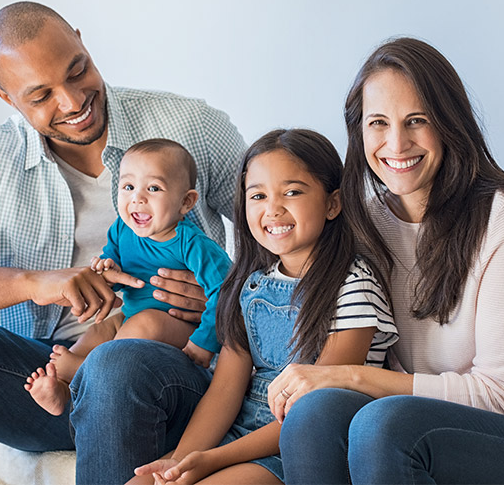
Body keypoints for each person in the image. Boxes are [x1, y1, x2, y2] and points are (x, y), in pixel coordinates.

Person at [0, 1, 245, 484]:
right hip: (52, 376)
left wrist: (223, 303)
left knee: (117, 362)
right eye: (42, 96)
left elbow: (283, 238)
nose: (74, 101)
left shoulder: (188, 127)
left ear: (81, 40)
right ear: (7, 98)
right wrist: (35, 282)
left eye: (78, 71)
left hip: (171, 371)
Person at [272, 37, 504, 484]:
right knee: (317, 411)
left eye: (416, 121)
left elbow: (499, 398)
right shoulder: (365, 223)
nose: (396, 143)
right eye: (378, 123)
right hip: (429, 426)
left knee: (382, 423)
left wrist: (350, 376)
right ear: (359, 131)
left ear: (448, 124)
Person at [132, 129, 398, 484]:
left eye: (292, 192)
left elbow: (314, 408)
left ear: (332, 203)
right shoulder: (251, 283)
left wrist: (211, 461)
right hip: (239, 434)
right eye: (257, 195)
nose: (272, 208)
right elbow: (225, 390)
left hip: (300, 447)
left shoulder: (352, 285)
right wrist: (181, 461)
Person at [26, 139, 232, 416]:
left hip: (178, 328)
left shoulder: (193, 244)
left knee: (145, 323)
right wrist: (106, 270)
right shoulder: (122, 229)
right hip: (130, 320)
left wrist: (204, 343)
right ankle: (64, 388)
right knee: (102, 329)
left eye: (154, 188)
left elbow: (227, 291)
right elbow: (113, 262)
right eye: (128, 187)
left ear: (186, 202)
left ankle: (86, 370)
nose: (137, 198)